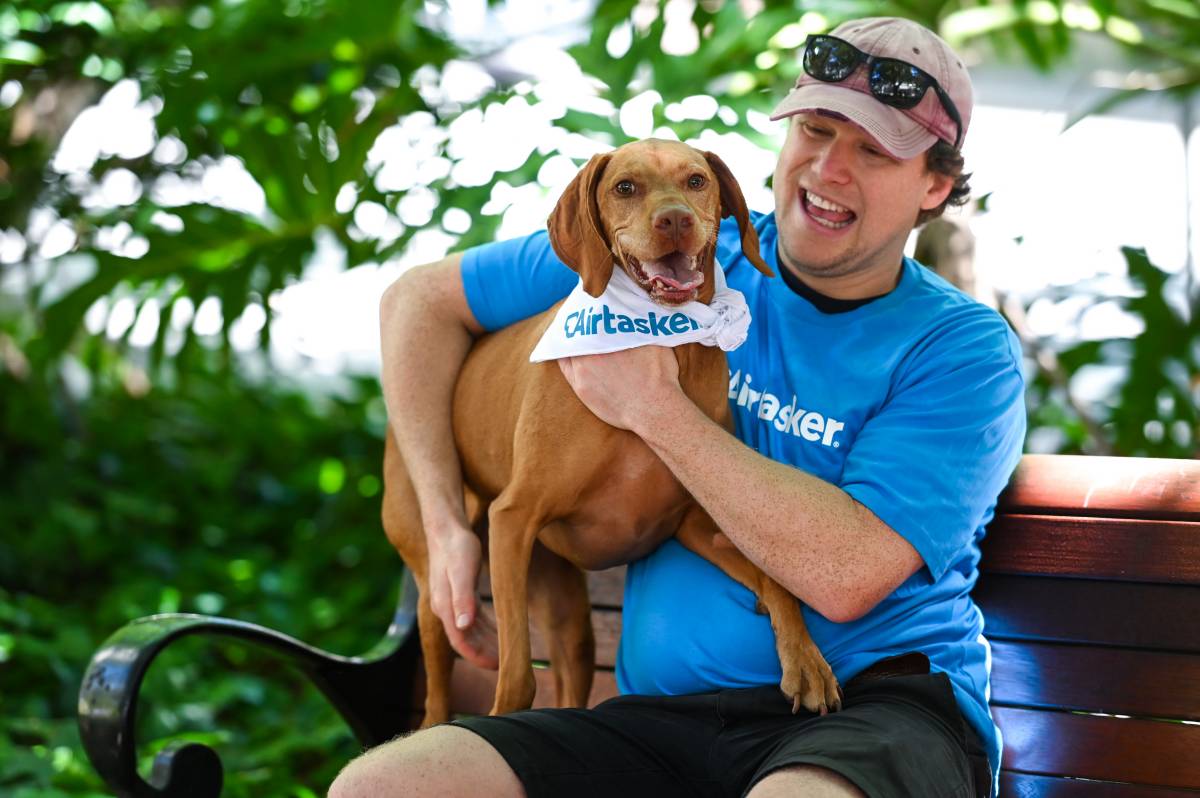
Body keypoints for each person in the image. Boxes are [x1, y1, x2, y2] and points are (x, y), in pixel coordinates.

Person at [330, 15, 1025, 798]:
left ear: (934, 185)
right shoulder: (677, 241)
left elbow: (846, 573)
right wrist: (442, 521)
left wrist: (653, 408)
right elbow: (417, 302)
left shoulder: (962, 350)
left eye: (873, 151)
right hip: (661, 722)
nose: (830, 169)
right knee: (384, 787)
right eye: (817, 130)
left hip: (876, 713)